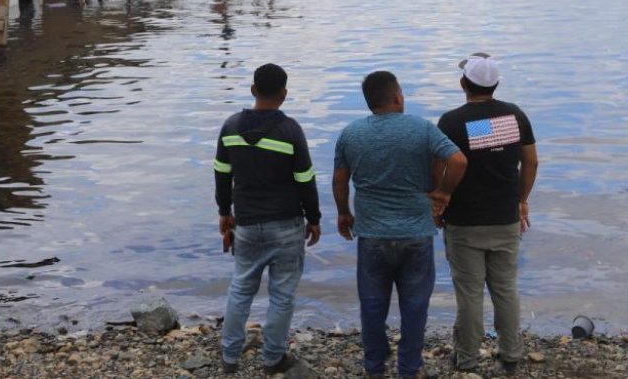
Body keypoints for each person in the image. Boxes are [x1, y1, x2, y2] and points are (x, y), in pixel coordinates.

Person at [333, 71, 467, 379]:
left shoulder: (351, 133)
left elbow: (340, 181)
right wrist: (444, 192)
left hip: (372, 235)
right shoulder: (422, 129)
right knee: (415, 306)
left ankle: (375, 368)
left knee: (372, 306)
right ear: (396, 97)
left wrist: (344, 213)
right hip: (416, 233)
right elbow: (458, 161)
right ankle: (409, 369)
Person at [215, 63, 321, 375]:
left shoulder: (230, 127)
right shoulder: (290, 130)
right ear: (284, 95)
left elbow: (222, 175)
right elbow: (305, 179)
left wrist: (224, 212)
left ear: (252, 90)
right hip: (286, 225)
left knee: (241, 288)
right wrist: (313, 218)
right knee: (282, 294)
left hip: (246, 223)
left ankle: (229, 356)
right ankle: (273, 358)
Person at [436, 53, 538, 375]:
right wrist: (522, 199)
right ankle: (510, 354)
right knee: (506, 289)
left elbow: (441, 168)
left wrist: (439, 203)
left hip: (465, 221)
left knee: (469, 294)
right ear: (495, 84)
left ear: (463, 83)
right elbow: (531, 162)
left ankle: (467, 359)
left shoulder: (451, 122)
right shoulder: (515, 116)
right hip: (505, 217)